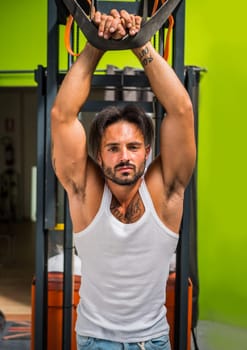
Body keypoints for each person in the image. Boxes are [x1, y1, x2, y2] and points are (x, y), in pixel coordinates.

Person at [51, 8, 196, 350]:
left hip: (153, 341)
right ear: (98, 155)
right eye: (113, 148)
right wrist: (95, 45)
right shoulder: (85, 192)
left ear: (148, 151)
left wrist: (142, 44)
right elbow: (62, 116)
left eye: (133, 147)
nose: (125, 157)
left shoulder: (165, 192)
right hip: (95, 341)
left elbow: (181, 111)